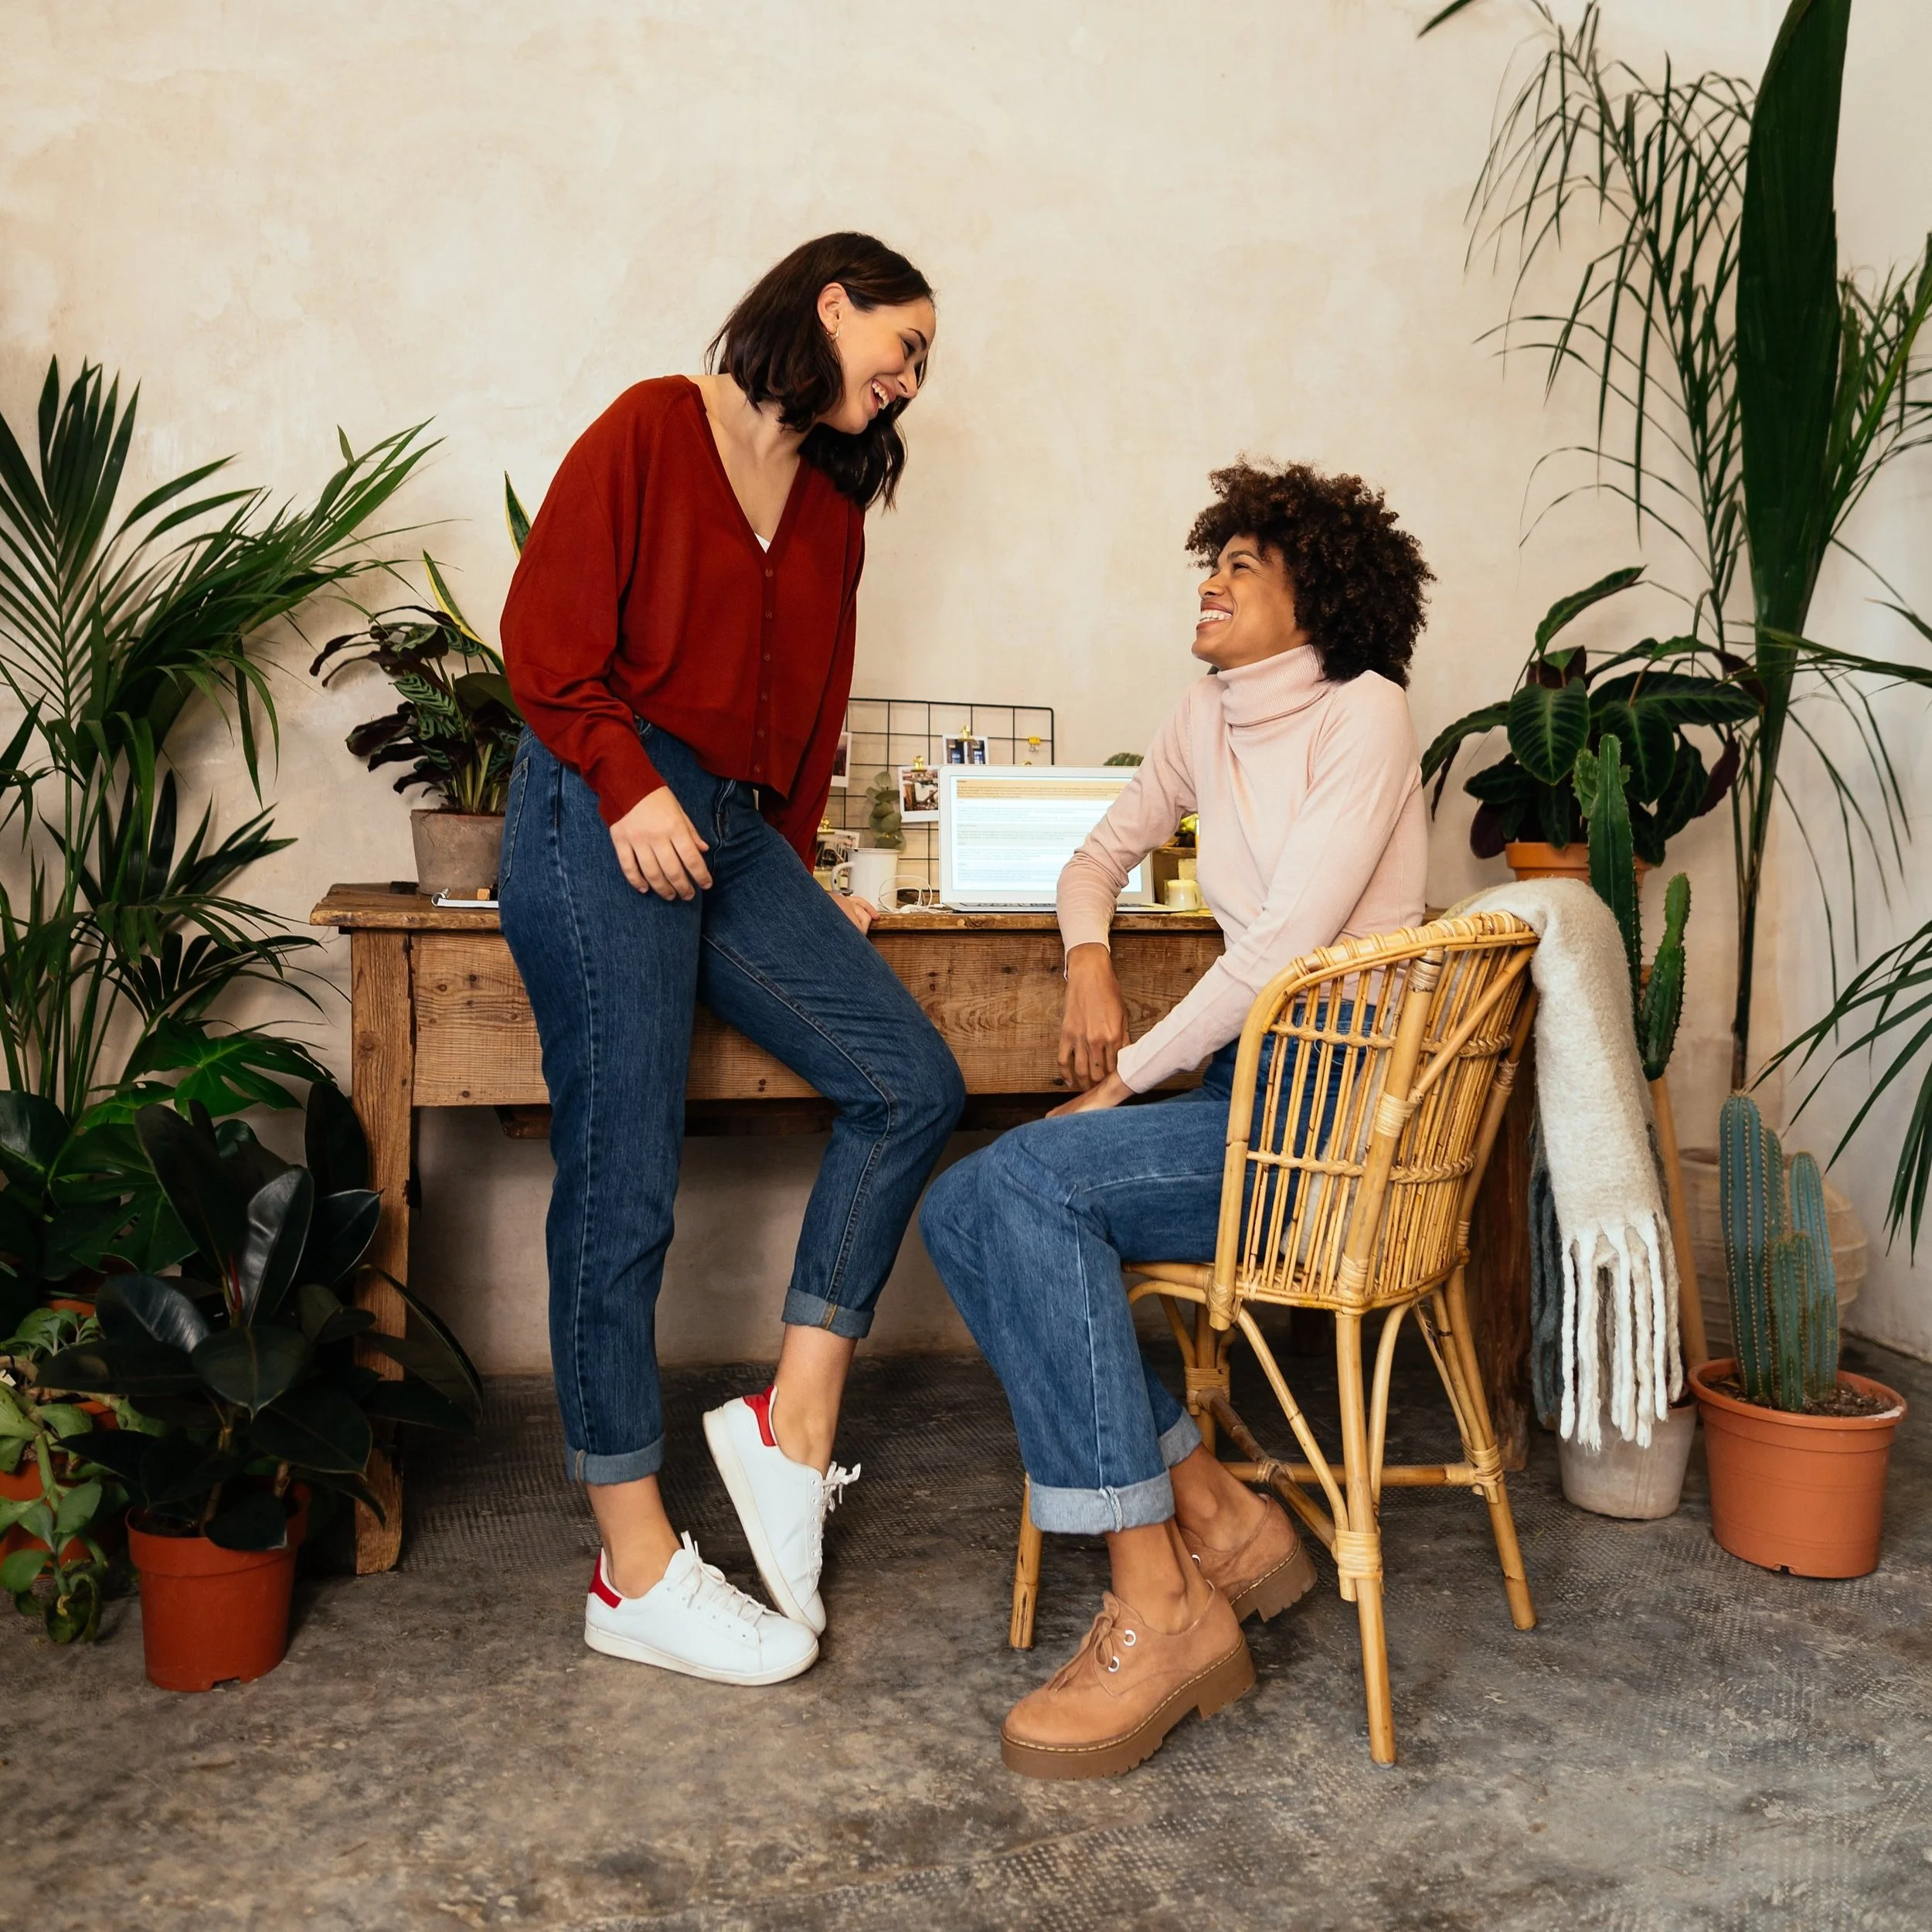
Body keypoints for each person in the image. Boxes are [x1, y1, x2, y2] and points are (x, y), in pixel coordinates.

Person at [499, 233, 964, 1687]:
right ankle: (632, 1568)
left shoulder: (833, 506)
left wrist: (810, 876)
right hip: (599, 800)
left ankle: (792, 1425)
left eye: (922, 365)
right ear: (831, 304)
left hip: (733, 833)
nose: (909, 378)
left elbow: (806, 712)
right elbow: (546, 642)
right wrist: (630, 784)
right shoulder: (653, 426)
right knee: (626, 1175)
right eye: (905, 342)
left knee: (911, 1080)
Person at [920, 460, 1434, 1777]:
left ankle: (1161, 1599)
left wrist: (1125, 1074)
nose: (1209, 581)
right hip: (1246, 1099)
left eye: (1243, 565)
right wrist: (1089, 957)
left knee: (1022, 1186)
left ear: (1314, 595)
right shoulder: (1208, 716)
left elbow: (1276, 953)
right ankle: (1213, 1506)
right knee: (965, 1200)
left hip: (1334, 1128)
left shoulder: (1366, 714)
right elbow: (1095, 856)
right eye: (1213, 560)